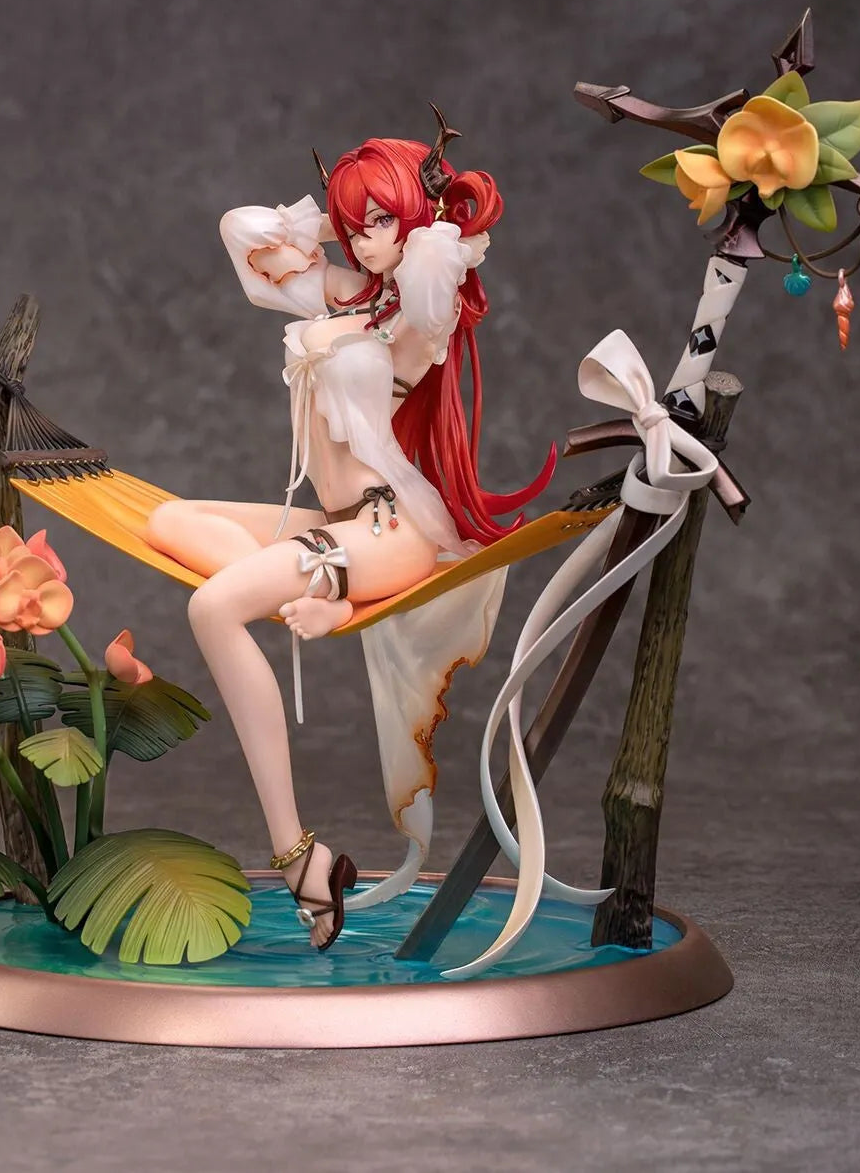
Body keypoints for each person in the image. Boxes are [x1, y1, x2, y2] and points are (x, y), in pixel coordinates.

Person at [144, 110, 555, 950]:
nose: (366, 240)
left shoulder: (419, 321)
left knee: (211, 609)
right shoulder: (343, 292)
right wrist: (341, 214)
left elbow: (435, 255)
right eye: (355, 225)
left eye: (379, 223)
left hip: (390, 527)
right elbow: (242, 232)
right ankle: (317, 588)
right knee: (166, 519)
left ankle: (300, 855)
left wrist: (415, 212)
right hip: (336, 525)